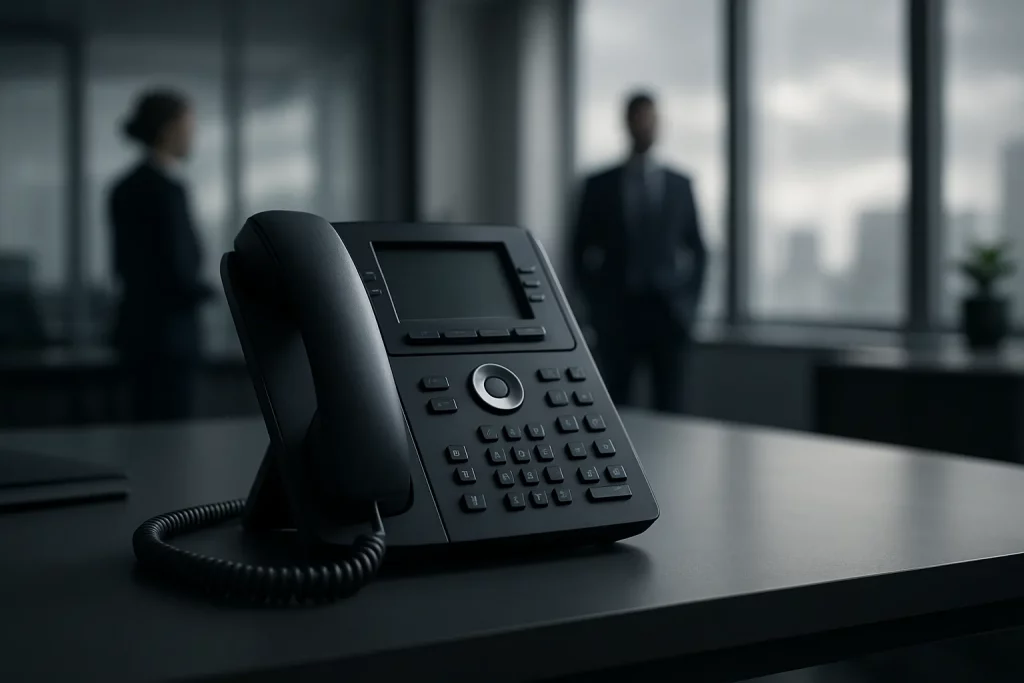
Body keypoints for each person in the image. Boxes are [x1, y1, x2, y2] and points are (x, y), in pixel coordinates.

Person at [571, 90, 707, 414]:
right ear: (627, 123)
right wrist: (595, 308)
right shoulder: (599, 184)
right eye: (640, 118)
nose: (646, 126)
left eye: (652, 119)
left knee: (671, 408)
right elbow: (578, 251)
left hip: (668, 314)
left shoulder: (680, 184)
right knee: (617, 407)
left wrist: (688, 307)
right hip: (618, 315)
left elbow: (699, 250)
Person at [108, 89, 213, 422]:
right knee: (172, 435)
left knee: (144, 430)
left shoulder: (123, 188)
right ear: (169, 130)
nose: (193, 137)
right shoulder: (167, 192)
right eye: (188, 128)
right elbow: (178, 270)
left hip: (137, 332)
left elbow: (125, 265)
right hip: (171, 338)